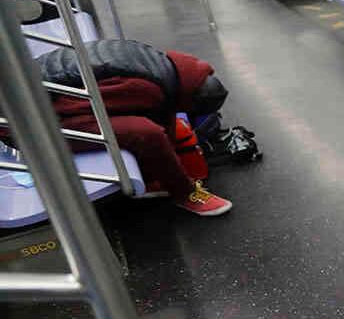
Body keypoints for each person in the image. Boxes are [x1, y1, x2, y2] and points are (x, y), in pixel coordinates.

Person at [29, 39, 233, 217]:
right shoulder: (144, 88)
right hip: (26, 122)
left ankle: (158, 176)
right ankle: (184, 194)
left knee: (153, 121)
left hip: (34, 95)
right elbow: (77, 107)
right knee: (146, 132)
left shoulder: (156, 63)